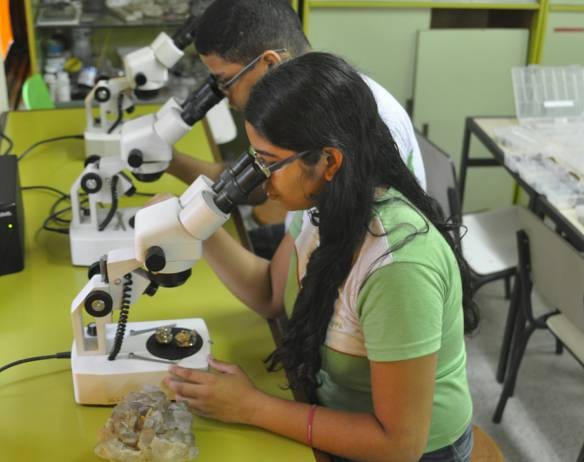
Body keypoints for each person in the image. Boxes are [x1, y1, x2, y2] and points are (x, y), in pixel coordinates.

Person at [163, 52, 478, 462]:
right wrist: (193, 226)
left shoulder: (399, 268)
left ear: (329, 161)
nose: (260, 180)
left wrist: (251, 407)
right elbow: (270, 294)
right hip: (337, 420)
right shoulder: (322, 208)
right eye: (255, 158)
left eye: (270, 163)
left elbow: (397, 444)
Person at [167, 0, 427, 258]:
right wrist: (170, 161)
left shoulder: (356, 122)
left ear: (270, 63)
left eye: (226, 82)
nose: (225, 97)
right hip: (307, 232)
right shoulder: (296, 109)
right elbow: (257, 183)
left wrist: (194, 228)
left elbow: (276, 294)